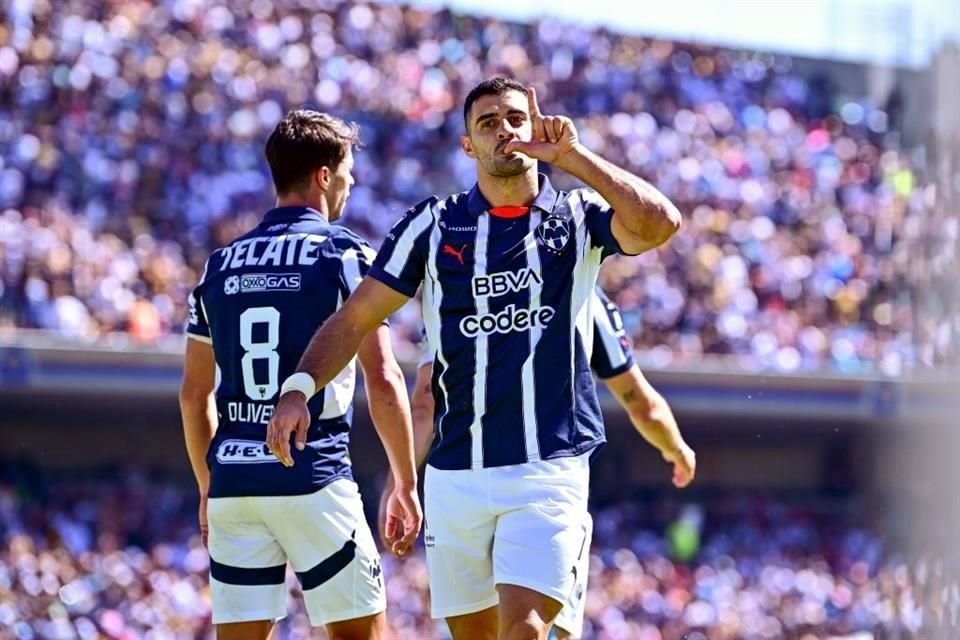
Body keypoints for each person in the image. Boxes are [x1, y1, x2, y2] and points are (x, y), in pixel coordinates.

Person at [267, 77, 682, 640]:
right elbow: (354, 319)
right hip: (456, 474)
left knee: (528, 629)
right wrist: (299, 387)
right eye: (488, 122)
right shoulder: (432, 225)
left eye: (516, 118)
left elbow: (661, 224)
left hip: (547, 466)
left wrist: (573, 156)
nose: (505, 130)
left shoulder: (579, 217)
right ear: (468, 146)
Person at [180, 109, 422, 640]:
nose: (352, 184)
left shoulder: (218, 266)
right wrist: (405, 478)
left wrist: (207, 485)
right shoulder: (346, 254)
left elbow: (195, 395)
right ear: (324, 175)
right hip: (312, 472)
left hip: (234, 480)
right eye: (349, 172)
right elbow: (383, 379)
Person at [379, 286, 696, 639]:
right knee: (534, 628)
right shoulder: (581, 286)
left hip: (463, 484)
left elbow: (425, 404)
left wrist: (399, 481)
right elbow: (641, 403)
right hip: (546, 480)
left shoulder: (456, 281)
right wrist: (676, 448)